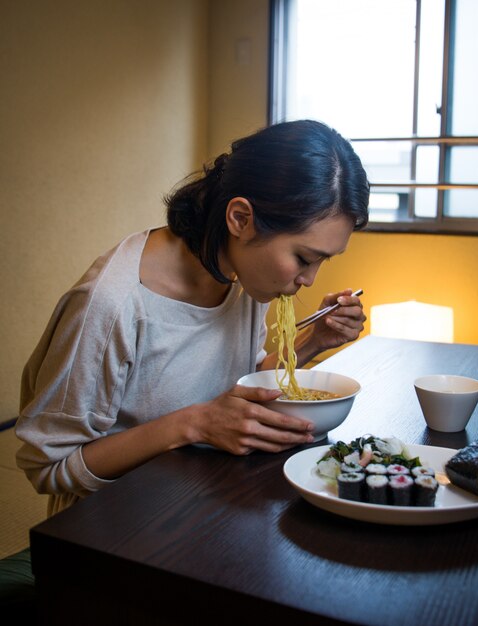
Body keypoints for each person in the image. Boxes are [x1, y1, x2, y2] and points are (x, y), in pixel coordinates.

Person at [15, 119, 370, 516]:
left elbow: (238, 383)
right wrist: (193, 425)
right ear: (240, 218)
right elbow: (49, 467)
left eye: (322, 261)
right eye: (303, 258)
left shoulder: (243, 275)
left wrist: (313, 340)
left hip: (201, 501)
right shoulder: (112, 303)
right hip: (111, 530)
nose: (308, 280)